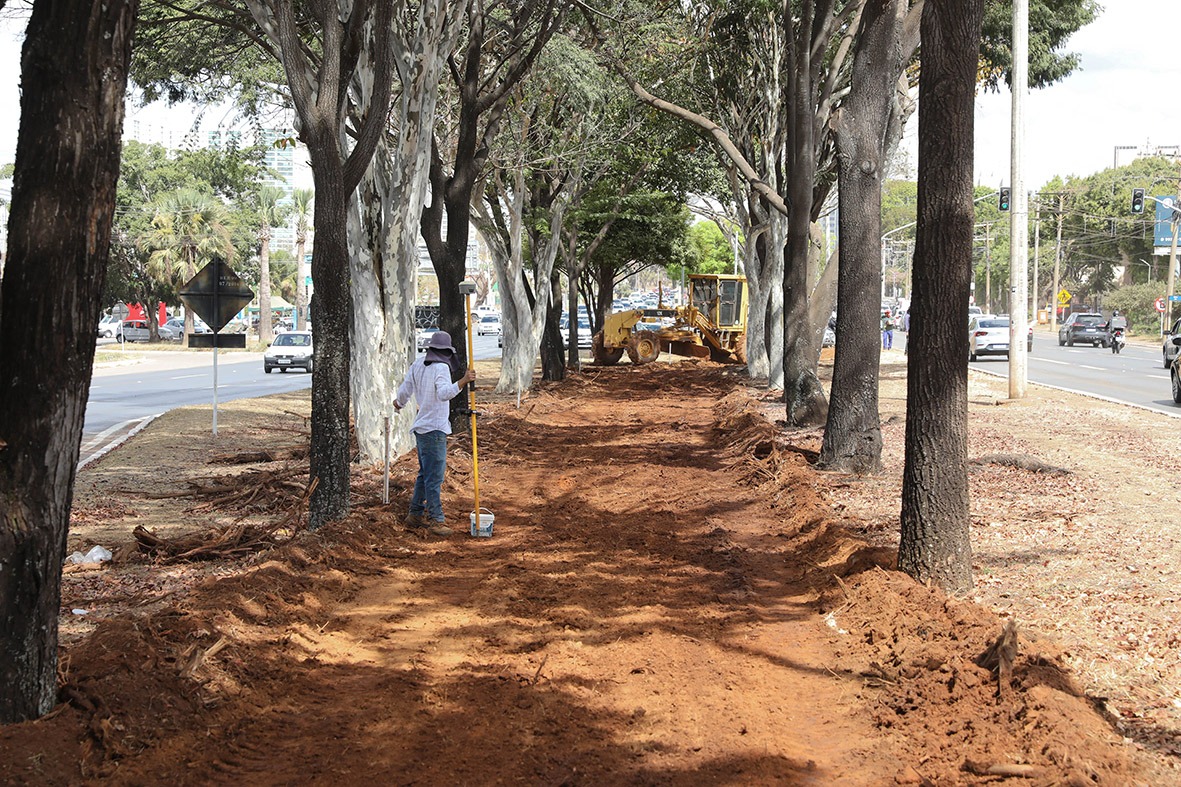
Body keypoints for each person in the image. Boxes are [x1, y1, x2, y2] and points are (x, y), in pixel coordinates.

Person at [394, 330, 476, 537]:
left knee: (425, 474)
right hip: (434, 429)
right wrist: (464, 381)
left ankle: (415, 514)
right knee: (434, 477)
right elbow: (444, 393)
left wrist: (398, 403)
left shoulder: (418, 364)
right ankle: (436, 519)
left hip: (422, 428)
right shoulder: (441, 367)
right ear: (447, 352)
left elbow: (405, 389)